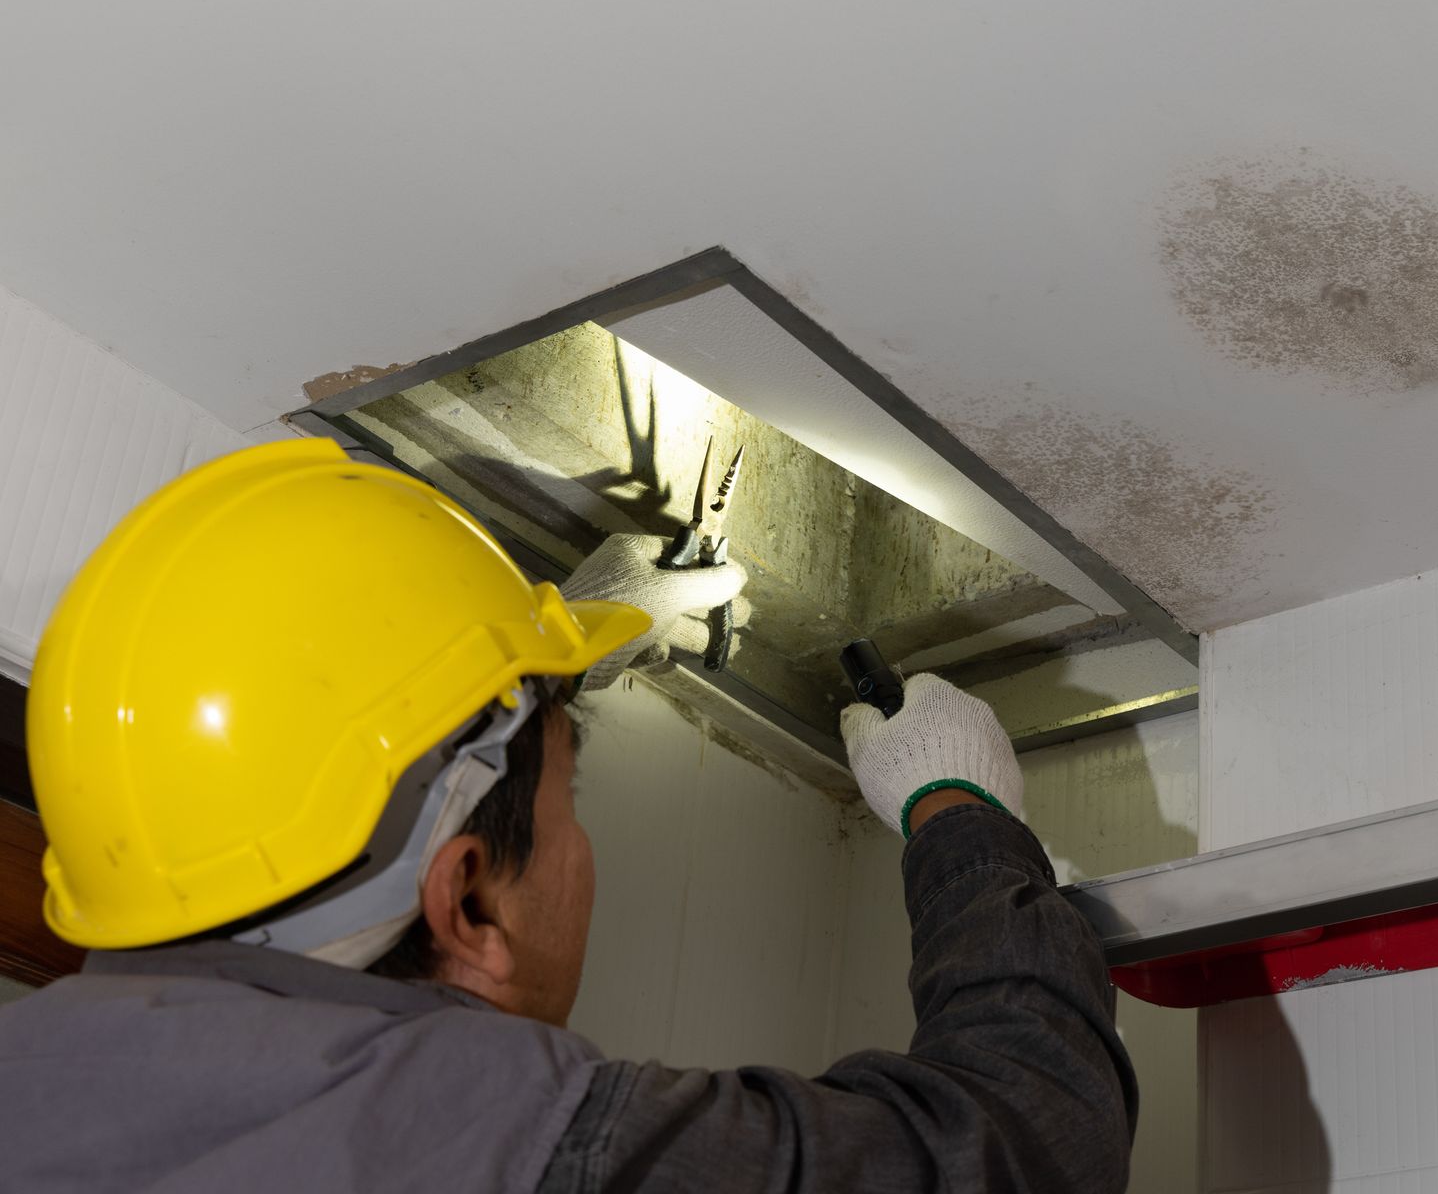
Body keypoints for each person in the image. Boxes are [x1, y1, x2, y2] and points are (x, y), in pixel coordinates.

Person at [0, 439, 1136, 1192]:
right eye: (568, 798)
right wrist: (959, 812)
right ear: (469, 901)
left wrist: (540, 669)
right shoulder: (492, 1137)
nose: (578, 836)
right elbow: (1017, 1145)